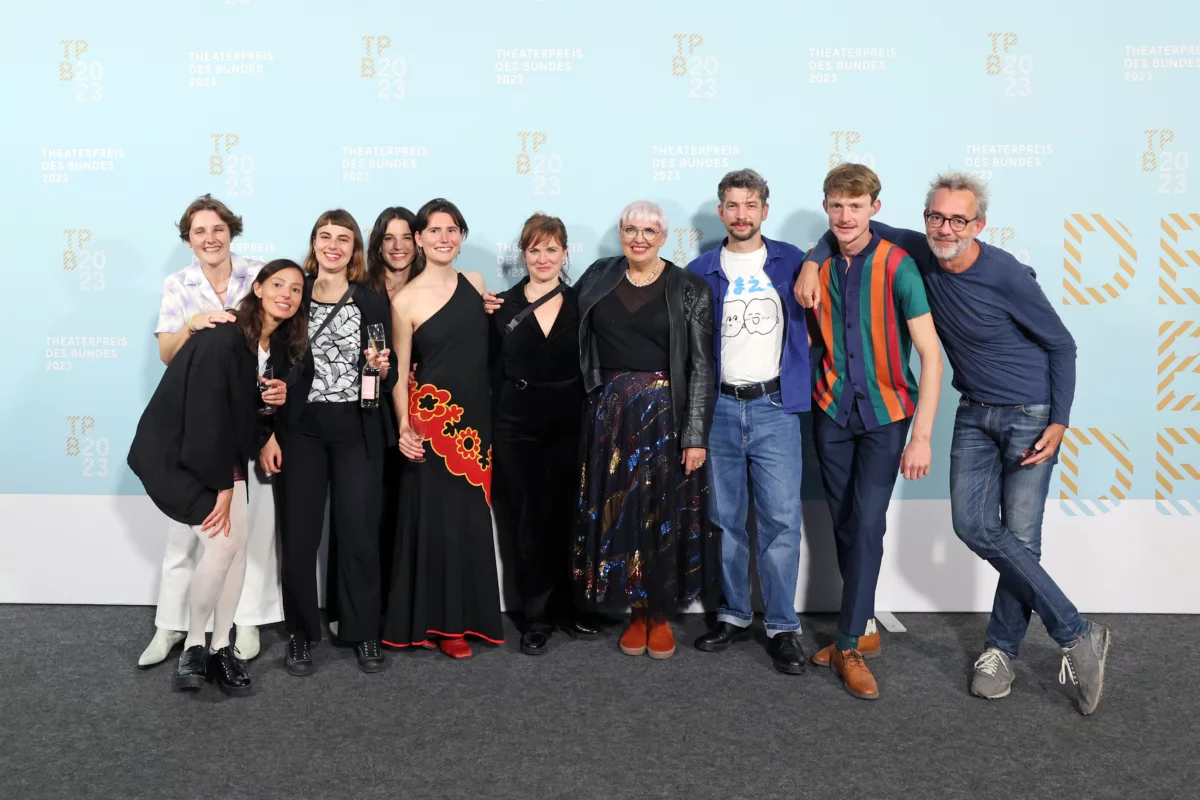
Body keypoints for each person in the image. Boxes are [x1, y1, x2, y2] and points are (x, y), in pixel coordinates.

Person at [795, 171, 1111, 715]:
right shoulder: (921, 249)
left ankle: (1010, 647)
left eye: (958, 220)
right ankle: (1074, 630)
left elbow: (1062, 345)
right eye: (936, 217)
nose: (945, 228)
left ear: (978, 225)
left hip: (1031, 412)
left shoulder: (1006, 274)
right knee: (972, 525)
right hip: (974, 412)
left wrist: (1059, 420)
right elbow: (848, 229)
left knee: (1020, 537)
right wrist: (808, 259)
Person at [128, 259, 306, 695]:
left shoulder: (277, 346)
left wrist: (271, 415)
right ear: (258, 288)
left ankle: (220, 648)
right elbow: (207, 416)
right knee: (224, 542)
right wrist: (225, 487)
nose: (287, 293)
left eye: (297, 289)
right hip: (178, 454)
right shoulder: (224, 336)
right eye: (277, 283)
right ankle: (194, 645)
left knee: (236, 548)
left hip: (223, 454)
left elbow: (246, 410)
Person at [801, 164, 943, 700]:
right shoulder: (818, 262)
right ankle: (862, 625)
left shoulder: (898, 266)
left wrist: (922, 435)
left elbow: (931, 355)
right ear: (827, 208)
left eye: (855, 206)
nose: (845, 215)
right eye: (836, 205)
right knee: (843, 522)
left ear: (874, 209)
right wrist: (815, 258)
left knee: (866, 522)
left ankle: (848, 643)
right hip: (831, 409)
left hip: (886, 415)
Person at [139, 194, 284, 669]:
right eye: (199, 232)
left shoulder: (258, 275)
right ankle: (171, 625)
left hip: (249, 417)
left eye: (218, 229)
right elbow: (166, 353)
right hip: (195, 419)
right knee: (186, 534)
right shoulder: (177, 284)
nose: (210, 238)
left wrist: (269, 427)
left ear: (231, 231)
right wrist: (192, 324)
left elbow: (282, 339)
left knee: (247, 534)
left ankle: (244, 621)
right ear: (188, 240)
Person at [572, 200, 718, 660]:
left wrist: (694, 436)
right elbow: (559, 317)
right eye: (630, 229)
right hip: (609, 417)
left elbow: (701, 366)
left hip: (665, 417)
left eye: (649, 231)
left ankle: (660, 614)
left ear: (663, 236)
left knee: (663, 514)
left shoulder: (688, 287)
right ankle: (634, 612)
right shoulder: (599, 275)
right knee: (621, 512)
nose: (639, 237)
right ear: (620, 232)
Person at [686, 169, 811, 674]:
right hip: (718, 408)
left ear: (765, 209)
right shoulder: (698, 271)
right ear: (721, 212)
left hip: (774, 408)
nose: (742, 214)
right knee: (725, 520)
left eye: (751, 204)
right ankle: (734, 615)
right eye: (732, 205)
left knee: (782, 521)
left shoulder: (794, 262)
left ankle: (782, 626)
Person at [261, 209, 396, 677]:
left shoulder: (371, 301)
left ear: (355, 249)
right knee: (299, 537)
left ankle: (363, 631)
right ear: (314, 243)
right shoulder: (292, 297)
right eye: (325, 237)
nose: (333, 245)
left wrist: (383, 367)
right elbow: (271, 368)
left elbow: (389, 367)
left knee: (358, 532)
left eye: (343, 238)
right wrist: (270, 433)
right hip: (301, 431)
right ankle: (300, 634)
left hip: (357, 428)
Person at [384, 198, 504, 658]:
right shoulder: (405, 299)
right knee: (433, 522)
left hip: (476, 424)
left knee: (470, 521)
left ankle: (466, 620)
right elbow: (397, 369)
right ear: (418, 239)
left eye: (452, 230)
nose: (444, 238)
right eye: (434, 231)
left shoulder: (475, 284)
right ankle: (436, 624)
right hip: (430, 424)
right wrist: (403, 426)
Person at [488, 213, 596, 656]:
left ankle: (570, 608)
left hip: (573, 423)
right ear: (523, 254)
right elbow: (489, 370)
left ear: (565, 253)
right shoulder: (500, 306)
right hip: (517, 427)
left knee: (572, 517)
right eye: (535, 249)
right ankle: (536, 617)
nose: (544, 257)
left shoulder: (583, 303)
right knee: (527, 523)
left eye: (552, 249)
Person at [327, 205, 418, 633]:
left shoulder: (432, 284)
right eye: (389, 238)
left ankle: (399, 610)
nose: (398, 247)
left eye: (406, 237)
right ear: (377, 243)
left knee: (407, 511)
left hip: (423, 412)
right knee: (362, 514)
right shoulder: (359, 288)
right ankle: (352, 612)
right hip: (365, 414)